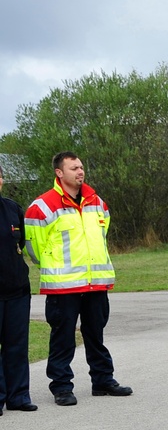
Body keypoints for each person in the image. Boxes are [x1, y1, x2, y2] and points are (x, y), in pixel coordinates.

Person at [24, 152, 131, 407]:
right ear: (59, 173)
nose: (80, 172)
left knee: (96, 334)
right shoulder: (42, 207)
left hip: (95, 283)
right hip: (63, 287)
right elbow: (34, 249)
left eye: (81, 167)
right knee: (62, 339)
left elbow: (101, 234)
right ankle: (61, 387)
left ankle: (103, 380)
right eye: (74, 168)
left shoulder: (97, 201)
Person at [0, 164, 36, 415]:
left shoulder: (12, 209)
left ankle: (19, 396)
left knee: (16, 345)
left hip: (16, 290)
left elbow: (21, 242)